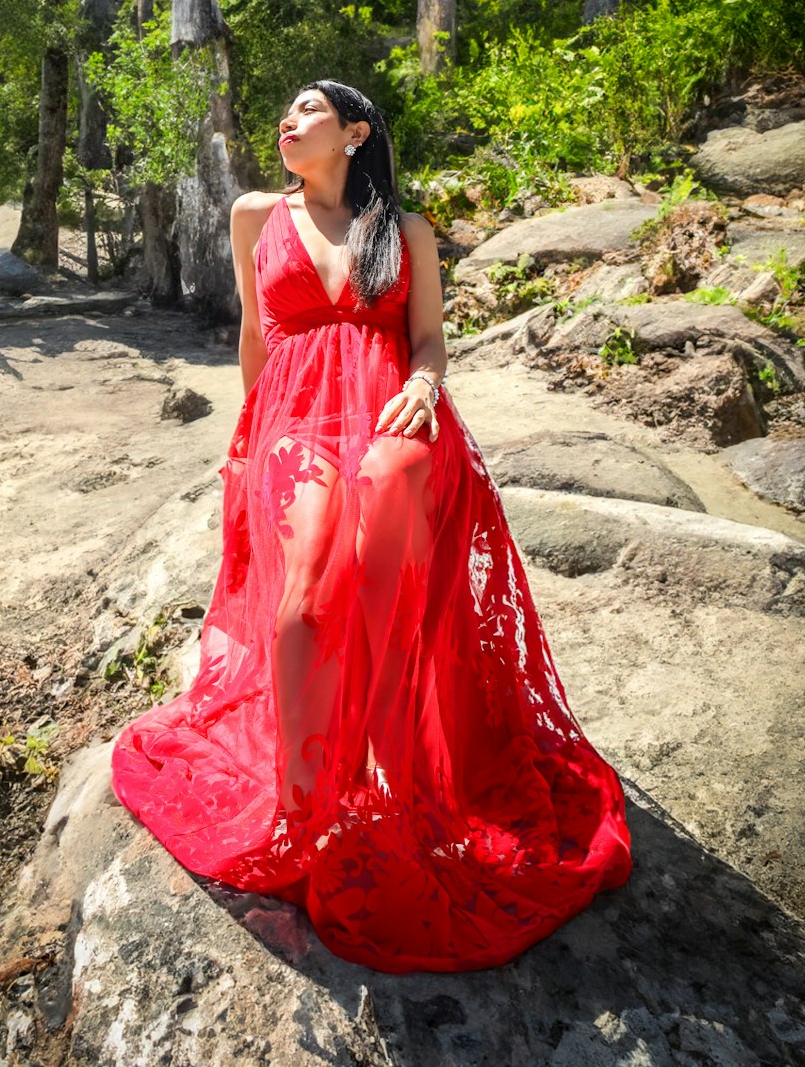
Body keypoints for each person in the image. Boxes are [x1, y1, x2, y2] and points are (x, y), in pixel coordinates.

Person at [111, 79, 632, 974]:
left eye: (308, 109)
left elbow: (428, 340)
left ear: (355, 133)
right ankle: (305, 809)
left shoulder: (407, 231)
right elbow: (257, 337)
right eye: (284, 111)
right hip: (298, 427)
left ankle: (395, 775)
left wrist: (425, 387)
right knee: (307, 602)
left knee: (389, 524)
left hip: (394, 415)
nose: (287, 120)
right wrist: (252, 445)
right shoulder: (251, 216)